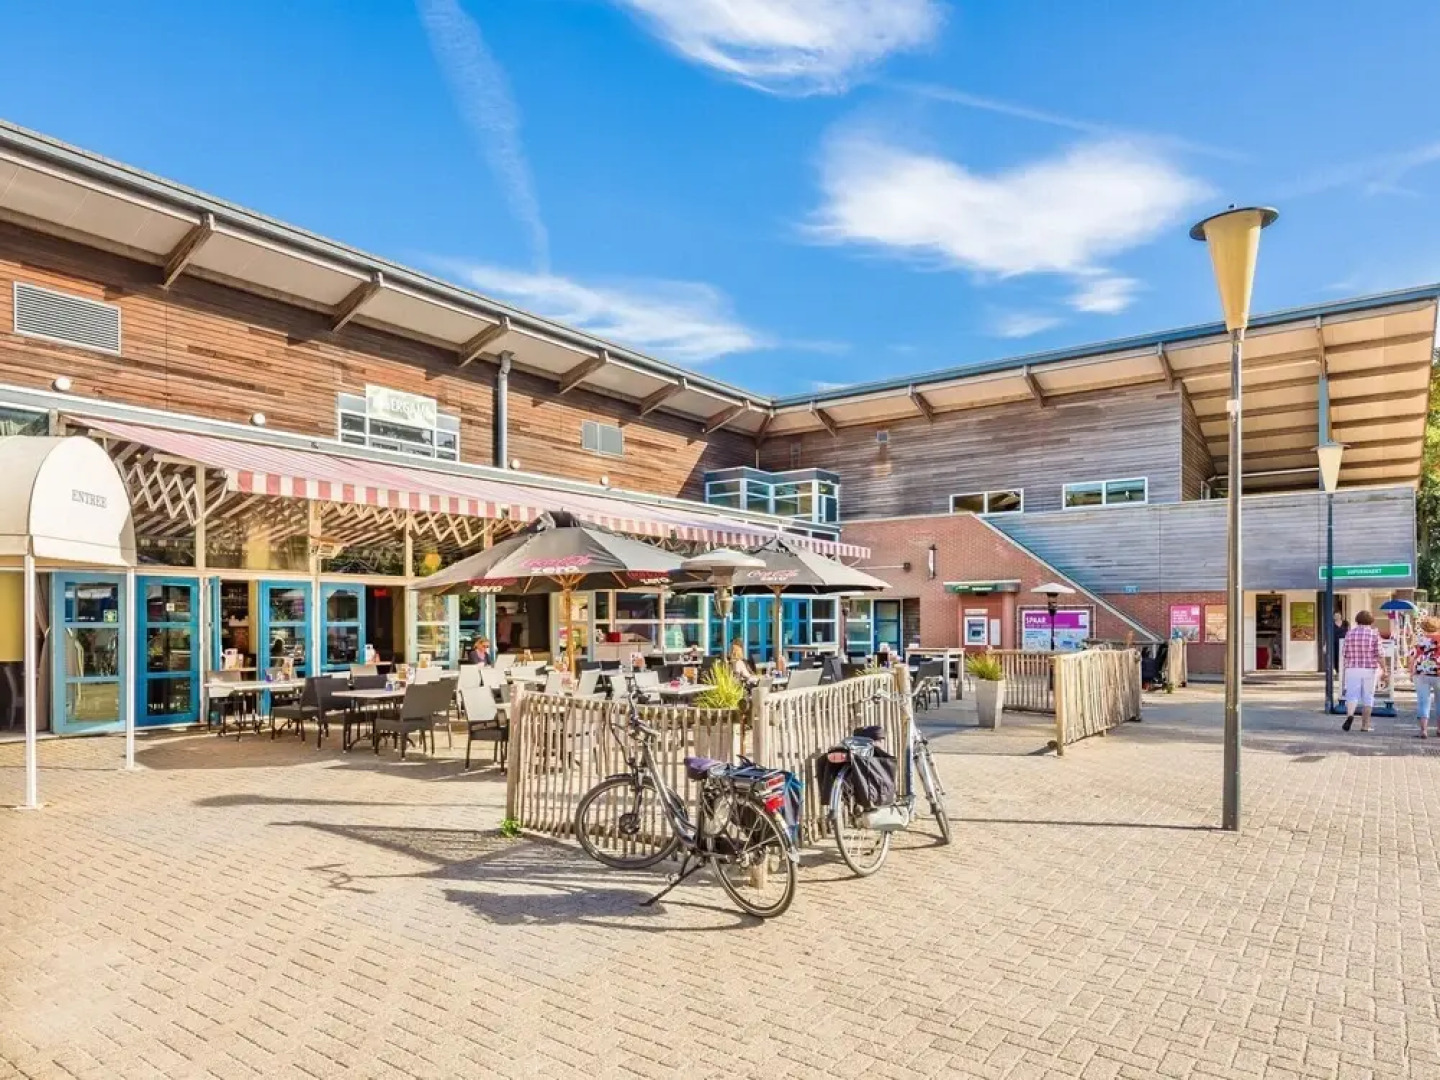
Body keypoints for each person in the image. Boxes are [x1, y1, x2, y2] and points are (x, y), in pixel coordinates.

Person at [1341, 610, 1382, 733]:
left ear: (1356, 620)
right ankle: (1365, 726)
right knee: (1368, 697)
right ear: (1371, 621)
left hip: (1352, 668)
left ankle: (1350, 716)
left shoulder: (1349, 634)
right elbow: (1380, 653)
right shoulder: (1374, 634)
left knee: (1352, 695)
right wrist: (1384, 668)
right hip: (1369, 669)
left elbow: (1344, 653)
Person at [1412, 616, 1440, 738]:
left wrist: (1411, 671)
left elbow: (1412, 656)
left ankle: (1423, 730)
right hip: (1439, 672)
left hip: (1421, 672)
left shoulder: (1419, 640)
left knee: (1423, 701)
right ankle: (1439, 729)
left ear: (1423, 627)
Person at [1330, 610, 1349, 675]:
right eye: (1335, 615)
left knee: (1343, 656)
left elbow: (1348, 632)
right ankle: (1336, 670)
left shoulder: (1345, 623)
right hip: (1334, 641)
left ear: (1341, 615)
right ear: (1333, 617)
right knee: (1335, 656)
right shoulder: (1331, 623)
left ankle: (1342, 669)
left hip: (1344, 642)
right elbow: (1328, 634)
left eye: (1338, 615)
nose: (1337, 616)